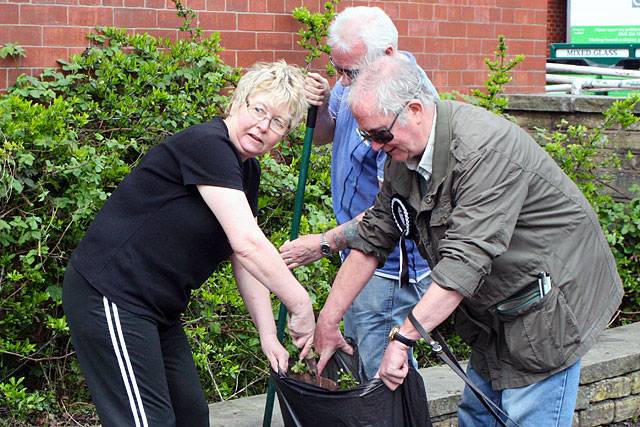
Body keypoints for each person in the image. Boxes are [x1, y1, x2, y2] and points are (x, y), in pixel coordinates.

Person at [310, 55, 623, 426]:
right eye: (367, 137)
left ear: (414, 110)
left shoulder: (482, 153)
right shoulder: (404, 156)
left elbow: (464, 263)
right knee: (477, 416)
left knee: (526, 417)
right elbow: (374, 234)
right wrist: (328, 322)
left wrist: (404, 338)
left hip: (548, 303)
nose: (375, 147)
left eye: (379, 134)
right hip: (498, 307)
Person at [62, 61, 315, 427]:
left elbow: (242, 255)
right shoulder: (207, 145)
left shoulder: (246, 170)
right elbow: (247, 243)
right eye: (259, 109)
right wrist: (300, 302)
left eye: (278, 122)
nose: (263, 126)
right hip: (112, 295)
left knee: (190, 417)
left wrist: (267, 334)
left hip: (158, 309)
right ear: (237, 103)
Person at [279, 6, 438, 380]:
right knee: (369, 369)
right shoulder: (361, 76)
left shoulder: (403, 111)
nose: (342, 81)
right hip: (356, 256)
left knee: (385, 379)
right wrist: (318, 108)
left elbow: (391, 214)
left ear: (387, 56)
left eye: (348, 72)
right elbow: (323, 135)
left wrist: (321, 243)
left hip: (385, 267)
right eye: (337, 70)